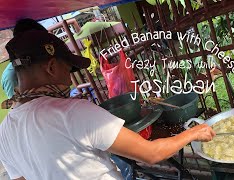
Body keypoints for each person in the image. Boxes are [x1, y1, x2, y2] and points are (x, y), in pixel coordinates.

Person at [0, 28, 215, 179]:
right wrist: (194, 133)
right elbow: (151, 154)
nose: (69, 78)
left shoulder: (4, 132)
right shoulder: (72, 112)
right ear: (52, 67)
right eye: (69, 69)